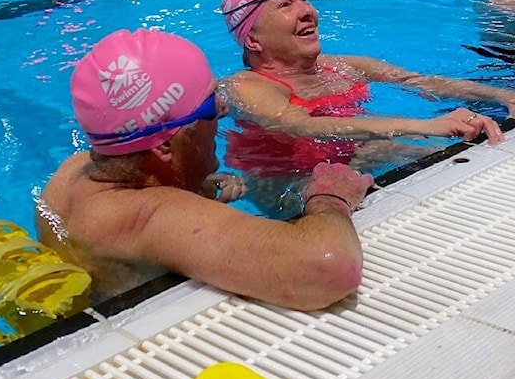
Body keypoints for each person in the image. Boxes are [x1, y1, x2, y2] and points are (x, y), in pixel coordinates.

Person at [35, 28, 374, 310]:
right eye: (210, 104)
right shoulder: (150, 216)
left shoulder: (71, 171)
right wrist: (329, 197)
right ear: (165, 146)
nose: (224, 109)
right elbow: (328, 268)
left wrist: (190, 188)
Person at [217, 0, 515, 180]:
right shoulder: (243, 85)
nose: (308, 11)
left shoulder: (344, 65)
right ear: (252, 39)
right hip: (288, 183)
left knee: (482, 156)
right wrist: (425, 126)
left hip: (359, 156)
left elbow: (419, 82)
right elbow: (301, 125)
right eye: (285, 6)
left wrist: (506, 96)